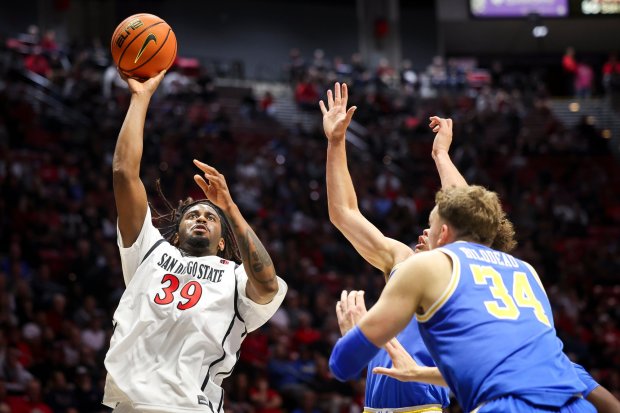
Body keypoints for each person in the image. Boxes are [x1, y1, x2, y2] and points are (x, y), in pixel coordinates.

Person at [103, 70, 287, 412]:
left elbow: (267, 285)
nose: (201, 217)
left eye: (210, 217)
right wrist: (140, 98)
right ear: (176, 232)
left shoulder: (234, 276)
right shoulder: (149, 252)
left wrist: (229, 207)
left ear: (221, 243)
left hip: (190, 406)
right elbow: (123, 174)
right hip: (129, 405)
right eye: (193, 215)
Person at [329, 183, 597, 412]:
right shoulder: (527, 271)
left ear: (443, 233)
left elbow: (343, 364)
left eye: (431, 226)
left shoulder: (429, 265)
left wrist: (355, 335)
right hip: (574, 401)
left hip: (507, 403)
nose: (424, 233)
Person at [320, 83, 461, 411]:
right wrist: (336, 142)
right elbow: (344, 214)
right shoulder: (403, 259)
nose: (424, 233)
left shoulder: (457, 272)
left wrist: (441, 154)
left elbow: (464, 209)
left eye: (435, 228)